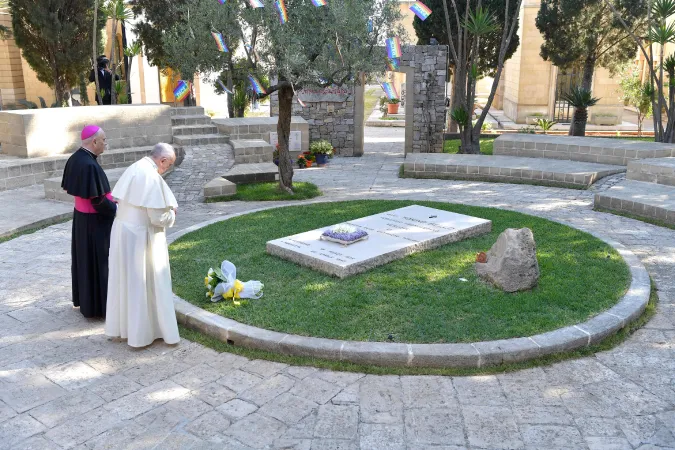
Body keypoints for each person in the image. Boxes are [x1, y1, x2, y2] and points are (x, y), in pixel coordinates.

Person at [105, 143, 180, 348]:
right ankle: (143, 334)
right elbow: (157, 217)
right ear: (162, 160)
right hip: (140, 237)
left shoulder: (136, 167)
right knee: (142, 282)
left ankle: (127, 328)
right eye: (169, 165)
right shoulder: (151, 176)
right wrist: (172, 213)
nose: (167, 169)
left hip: (123, 232)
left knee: (127, 281)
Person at [61, 125, 117, 318]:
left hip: (81, 219)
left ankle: (86, 302)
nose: (105, 144)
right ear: (94, 142)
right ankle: (99, 307)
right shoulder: (89, 165)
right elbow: (98, 199)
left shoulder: (76, 158)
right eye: (104, 140)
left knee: (84, 262)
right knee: (98, 262)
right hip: (95, 222)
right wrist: (115, 210)